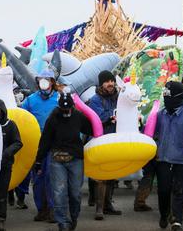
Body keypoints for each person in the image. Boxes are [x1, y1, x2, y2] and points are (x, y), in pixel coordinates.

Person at [35, 91, 92, 231]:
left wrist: (106, 123)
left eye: (68, 109)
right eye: (63, 109)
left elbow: (91, 129)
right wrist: (38, 161)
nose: (66, 112)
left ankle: (73, 217)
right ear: (59, 107)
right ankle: (63, 223)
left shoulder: (78, 116)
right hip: (57, 160)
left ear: (72, 106)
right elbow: (45, 141)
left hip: (75, 159)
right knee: (59, 193)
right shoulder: (53, 118)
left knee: (75, 193)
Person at [154, 81, 183, 231]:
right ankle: (164, 213)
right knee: (163, 190)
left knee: (180, 191)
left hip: (182, 160)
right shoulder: (160, 114)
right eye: (164, 96)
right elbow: (153, 134)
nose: (166, 99)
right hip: (163, 159)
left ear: (178, 97)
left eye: (169, 96)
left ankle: (176, 221)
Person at [21, 69, 59, 222]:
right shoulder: (30, 100)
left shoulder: (60, 98)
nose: (44, 82)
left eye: (47, 79)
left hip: (54, 145)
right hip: (36, 146)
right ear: (37, 82)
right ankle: (41, 209)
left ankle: (52, 209)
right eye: (41, 79)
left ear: (52, 82)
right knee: (38, 179)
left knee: (52, 178)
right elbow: (22, 119)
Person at [87, 70, 122, 220]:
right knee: (101, 174)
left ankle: (108, 205)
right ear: (101, 83)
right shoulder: (95, 99)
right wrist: (110, 118)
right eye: (107, 81)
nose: (110, 84)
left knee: (112, 174)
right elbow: (98, 118)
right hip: (100, 141)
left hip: (114, 139)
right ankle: (99, 208)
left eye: (112, 81)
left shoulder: (119, 97)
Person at [0, 99, 23, 231]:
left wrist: (6, 153)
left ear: (2, 112)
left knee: (1, 193)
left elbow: (18, 143)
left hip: (4, 165)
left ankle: (1, 220)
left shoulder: (10, 125)